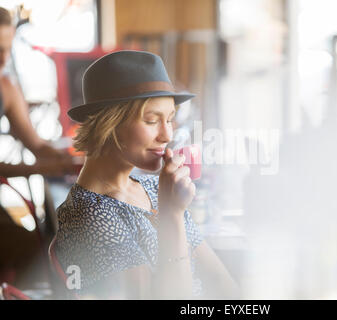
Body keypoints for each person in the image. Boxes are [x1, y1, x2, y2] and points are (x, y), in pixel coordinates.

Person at [54, 50, 240, 299]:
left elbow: (221, 281)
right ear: (109, 124)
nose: (167, 136)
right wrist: (171, 214)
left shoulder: (154, 187)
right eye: (152, 121)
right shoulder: (88, 215)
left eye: (170, 120)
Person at [0, 6, 75, 178]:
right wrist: (38, 169)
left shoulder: (7, 88)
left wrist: (73, 160)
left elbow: (37, 146)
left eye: (7, 50)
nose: (3, 59)